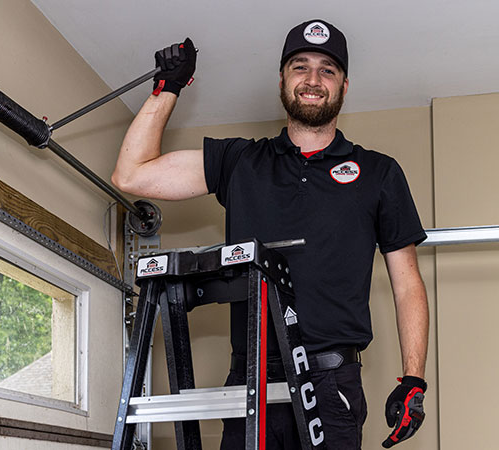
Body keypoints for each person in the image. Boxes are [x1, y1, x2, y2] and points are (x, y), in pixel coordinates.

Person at [112, 19, 429, 450]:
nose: (313, 80)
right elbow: (132, 174)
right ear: (282, 79)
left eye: (327, 70)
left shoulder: (378, 173)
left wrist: (414, 378)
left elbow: (407, 282)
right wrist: (168, 86)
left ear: (344, 86)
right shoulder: (240, 160)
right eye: (300, 67)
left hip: (330, 379)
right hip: (250, 378)